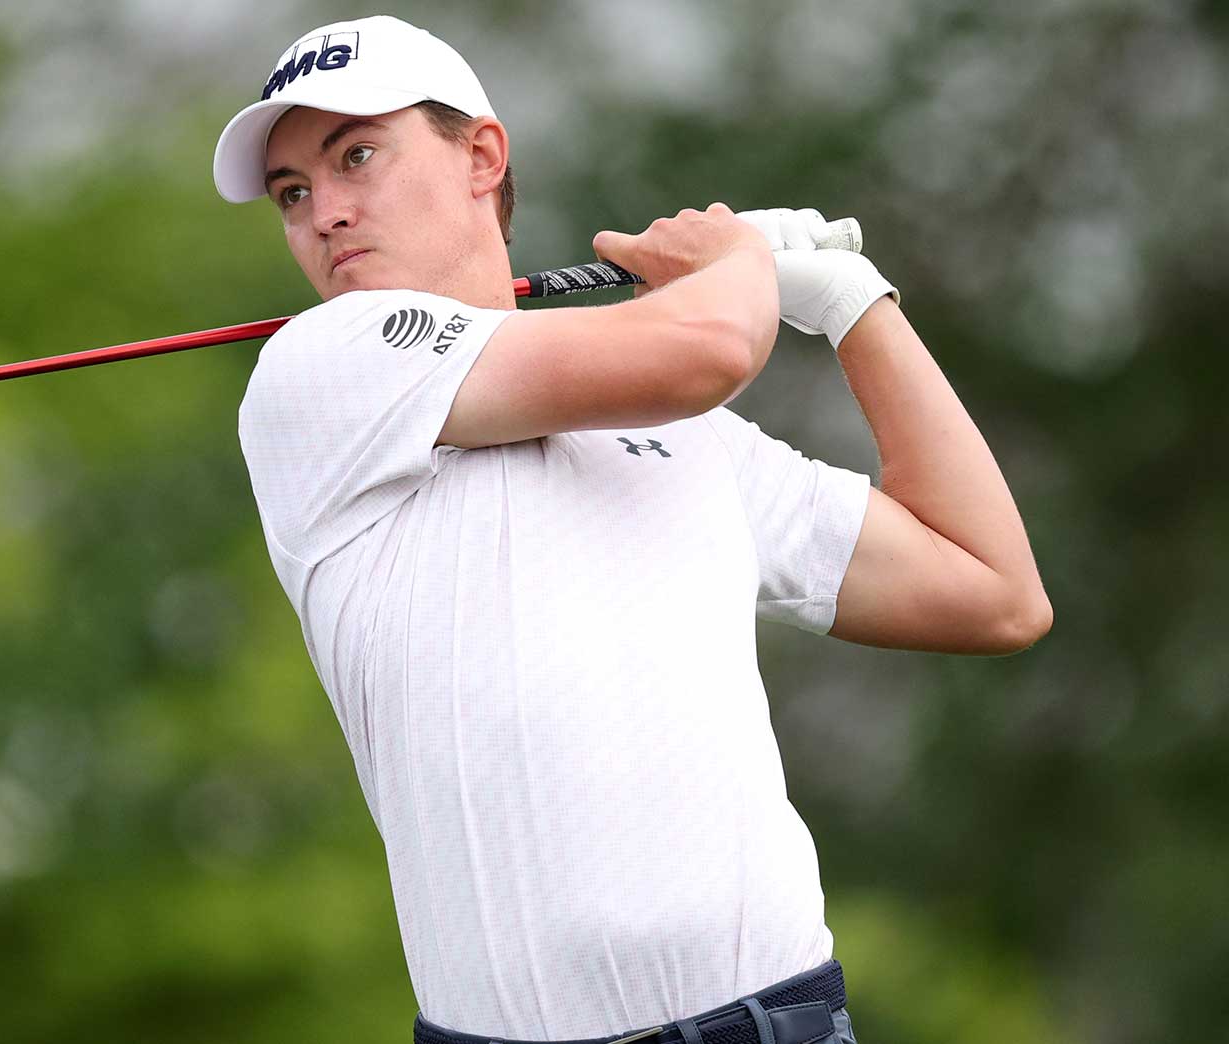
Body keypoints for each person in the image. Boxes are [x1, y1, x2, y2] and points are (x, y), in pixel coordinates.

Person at [217, 15, 1051, 1044]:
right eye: (293, 192)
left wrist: (853, 306)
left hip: (777, 1021)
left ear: (480, 156)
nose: (325, 214)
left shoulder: (697, 443)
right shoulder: (323, 368)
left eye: (357, 156)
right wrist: (738, 262)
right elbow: (703, 346)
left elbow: (990, 589)